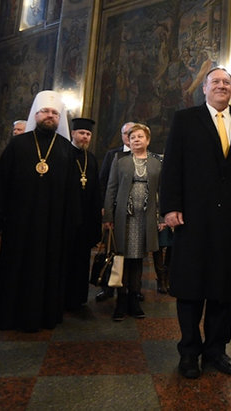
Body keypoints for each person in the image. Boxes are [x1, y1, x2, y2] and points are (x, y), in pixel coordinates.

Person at [160, 66, 231, 379]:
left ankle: (216, 351)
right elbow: (172, 167)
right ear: (204, 89)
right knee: (191, 288)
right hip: (193, 218)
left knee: (224, 288)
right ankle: (189, 352)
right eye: (216, 81)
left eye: (227, 82)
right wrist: (170, 207)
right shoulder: (185, 120)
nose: (222, 86)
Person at [0, 90, 79, 332]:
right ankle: (9, 315)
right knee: (16, 269)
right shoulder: (18, 145)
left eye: (54, 113)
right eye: (45, 112)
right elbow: (1, 185)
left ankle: (44, 315)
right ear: (35, 115)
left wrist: (70, 224)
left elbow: (72, 194)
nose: (50, 116)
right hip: (19, 224)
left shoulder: (67, 150)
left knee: (47, 271)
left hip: (52, 226)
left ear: (60, 119)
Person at [103, 123, 161, 321]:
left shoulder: (157, 163)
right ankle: (121, 301)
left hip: (144, 219)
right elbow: (111, 189)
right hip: (123, 219)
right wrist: (108, 217)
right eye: (133, 137)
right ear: (128, 140)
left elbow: (162, 193)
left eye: (140, 136)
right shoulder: (120, 161)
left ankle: (134, 301)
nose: (136, 140)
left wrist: (161, 217)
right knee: (121, 259)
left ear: (148, 140)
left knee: (137, 260)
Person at [64, 117, 102, 311]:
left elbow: (96, 190)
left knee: (81, 261)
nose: (85, 137)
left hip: (85, 221)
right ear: (73, 133)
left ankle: (78, 298)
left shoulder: (91, 159)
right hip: (66, 220)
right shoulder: (63, 154)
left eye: (88, 134)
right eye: (81, 133)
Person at [95, 121, 135, 303]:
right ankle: (108, 287)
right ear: (122, 136)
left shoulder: (147, 157)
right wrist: (106, 208)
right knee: (112, 250)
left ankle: (134, 289)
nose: (130, 137)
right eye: (127, 133)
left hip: (136, 213)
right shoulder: (113, 155)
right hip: (115, 211)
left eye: (134, 133)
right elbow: (104, 183)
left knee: (135, 254)